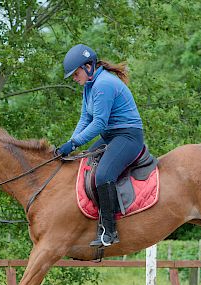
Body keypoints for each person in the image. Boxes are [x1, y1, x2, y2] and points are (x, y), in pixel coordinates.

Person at [57, 44, 144, 248]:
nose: (74, 78)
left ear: (88, 67)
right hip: (111, 136)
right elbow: (85, 118)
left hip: (127, 136)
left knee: (103, 175)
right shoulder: (89, 86)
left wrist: (74, 142)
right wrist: (71, 143)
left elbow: (98, 123)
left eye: (75, 73)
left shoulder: (103, 84)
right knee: (85, 163)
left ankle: (110, 230)